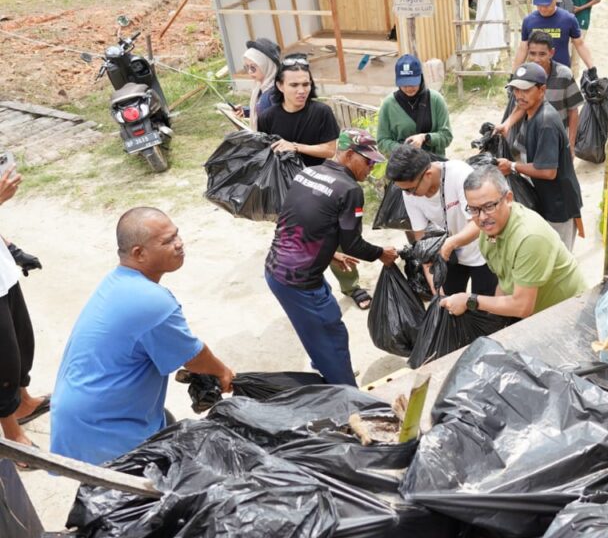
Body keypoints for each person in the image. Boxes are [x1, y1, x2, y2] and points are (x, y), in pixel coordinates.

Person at [50, 207, 235, 465]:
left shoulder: (118, 281)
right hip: (103, 427)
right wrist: (223, 373)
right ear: (139, 253)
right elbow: (194, 357)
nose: (179, 244)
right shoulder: (153, 302)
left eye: (177, 234)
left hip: (79, 414)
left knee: (168, 430)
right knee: (154, 482)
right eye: (167, 241)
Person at [265, 130, 398, 386]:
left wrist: (329, 253)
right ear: (348, 155)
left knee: (317, 326)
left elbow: (299, 222)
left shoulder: (307, 173)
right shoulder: (349, 189)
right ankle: (347, 393)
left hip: (276, 268)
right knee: (332, 337)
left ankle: (324, 367)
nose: (371, 167)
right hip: (299, 281)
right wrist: (382, 254)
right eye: (368, 161)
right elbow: (354, 245)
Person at [440, 165, 587, 319]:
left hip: (570, 313)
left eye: (489, 206)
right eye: (474, 209)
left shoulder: (529, 237)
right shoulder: (489, 231)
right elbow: (504, 282)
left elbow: (522, 307)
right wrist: (495, 319)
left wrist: (469, 300)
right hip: (538, 315)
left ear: (508, 199)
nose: (482, 217)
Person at [494, 63, 583, 250]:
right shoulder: (533, 110)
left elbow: (548, 171)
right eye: (516, 90)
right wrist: (506, 125)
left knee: (559, 259)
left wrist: (512, 166)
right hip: (548, 199)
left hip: (560, 206)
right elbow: (520, 107)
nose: (519, 96)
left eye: (525, 90)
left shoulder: (545, 122)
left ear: (542, 90)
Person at [386, 145, 496, 297]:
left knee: (484, 304)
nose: (408, 194)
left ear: (428, 174)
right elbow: (422, 240)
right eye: (403, 190)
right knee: (448, 301)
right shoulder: (409, 194)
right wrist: (435, 285)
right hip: (450, 254)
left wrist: (451, 243)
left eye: (411, 189)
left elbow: (479, 224)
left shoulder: (460, 174)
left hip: (482, 251)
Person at [0, 168, 48, 467]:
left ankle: (24, 402)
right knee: (2, 360)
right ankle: (12, 435)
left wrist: (13, 250)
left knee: (21, 342)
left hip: (3, 274)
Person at [498, 30, 583, 160]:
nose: (536, 59)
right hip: (528, 141)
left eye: (542, 54)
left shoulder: (564, 75)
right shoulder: (524, 75)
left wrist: (570, 146)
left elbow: (573, 111)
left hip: (556, 142)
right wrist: (506, 125)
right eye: (532, 53)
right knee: (528, 171)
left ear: (551, 53)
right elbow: (521, 106)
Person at [258, 54, 340, 167]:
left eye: (305, 84)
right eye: (294, 85)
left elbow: (330, 150)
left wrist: (296, 147)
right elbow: (264, 154)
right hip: (280, 176)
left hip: (314, 175)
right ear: (280, 86)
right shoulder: (267, 117)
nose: (301, 91)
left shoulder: (322, 112)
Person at [514, 0, 596, 75]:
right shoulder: (528, 21)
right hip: (535, 74)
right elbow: (523, 48)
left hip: (561, 74)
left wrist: (592, 68)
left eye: (546, 5)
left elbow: (580, 44)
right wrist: (514, 73)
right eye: (539, 5)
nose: (542, 8)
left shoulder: (568, 19)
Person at [235, 38, 280, 131]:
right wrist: (245, 111)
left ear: (266, 66)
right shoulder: (261, 86)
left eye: (253, 67)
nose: (249, 72)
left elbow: (280, 123)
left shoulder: (275, 92)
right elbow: (262, 110)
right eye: (246, 67)